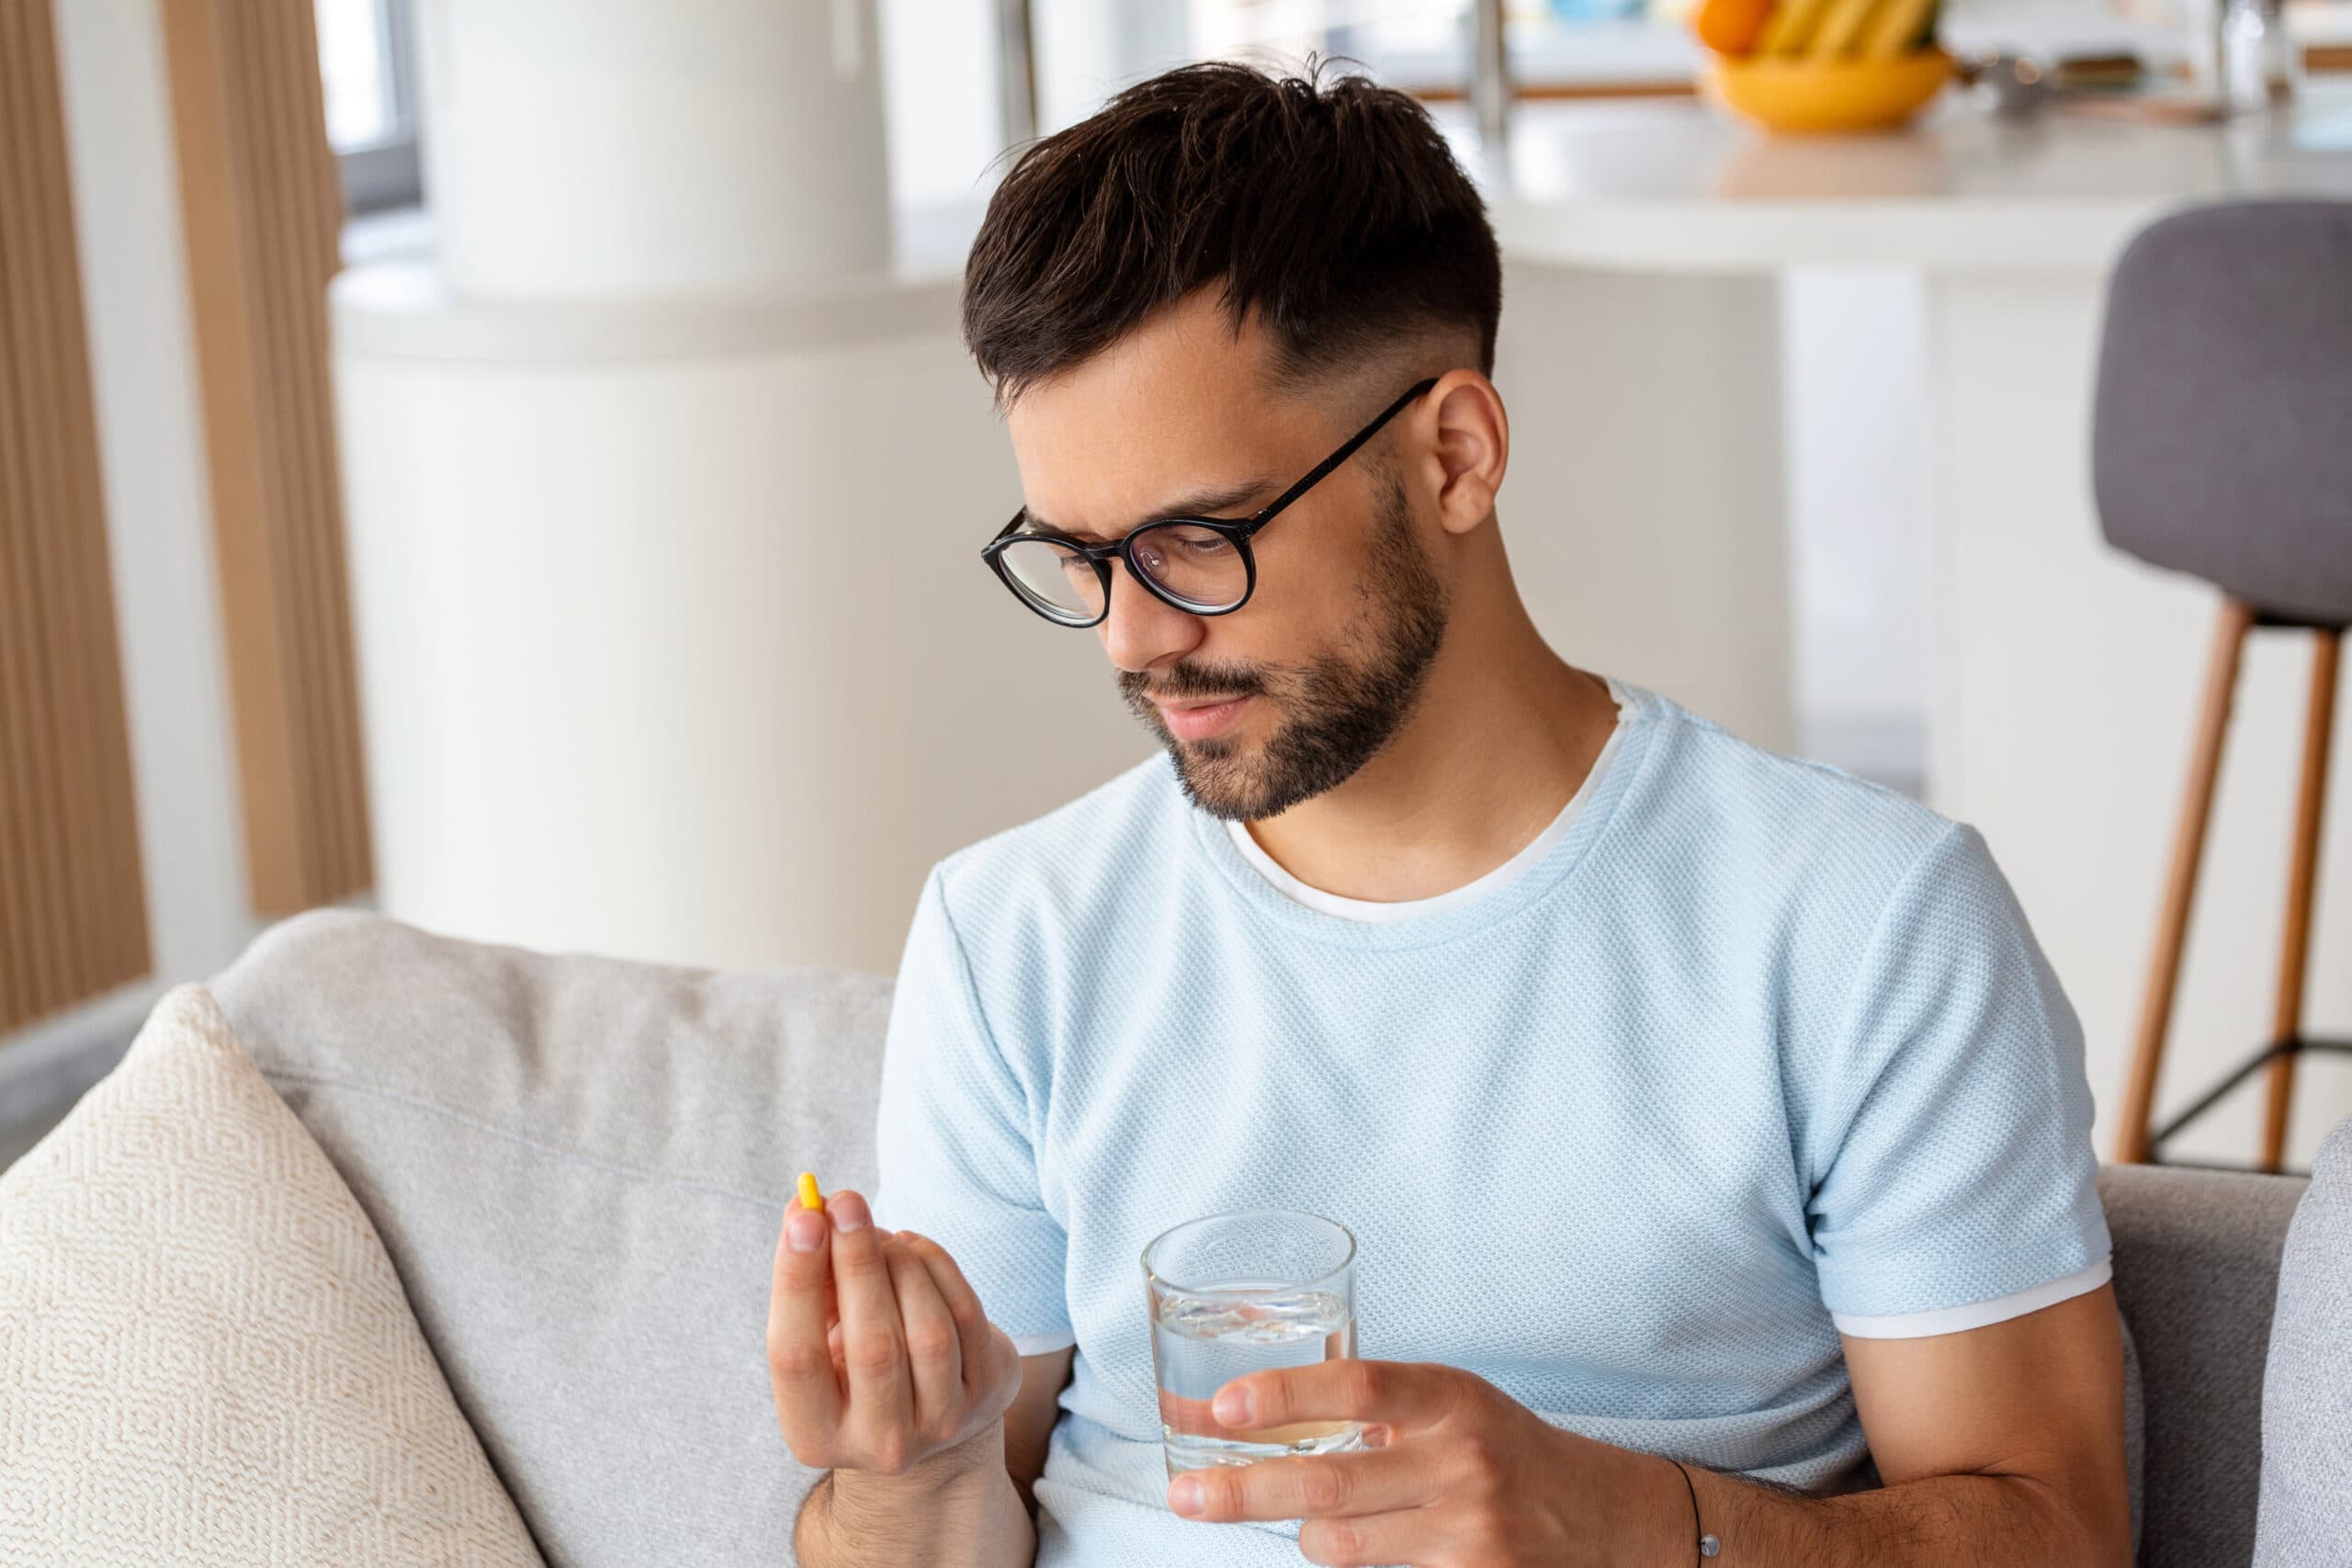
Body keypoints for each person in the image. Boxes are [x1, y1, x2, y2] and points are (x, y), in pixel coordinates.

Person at [769, 58, 2130, 1568]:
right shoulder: (1009, 935)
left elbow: (2055, 1530)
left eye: (1194, 543)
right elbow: (949, 1530)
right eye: (1082, 556)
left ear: (1456, 456)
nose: (1133, 642)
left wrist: (1633, 1525)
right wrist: (903, 1481)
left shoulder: (1864, 925)